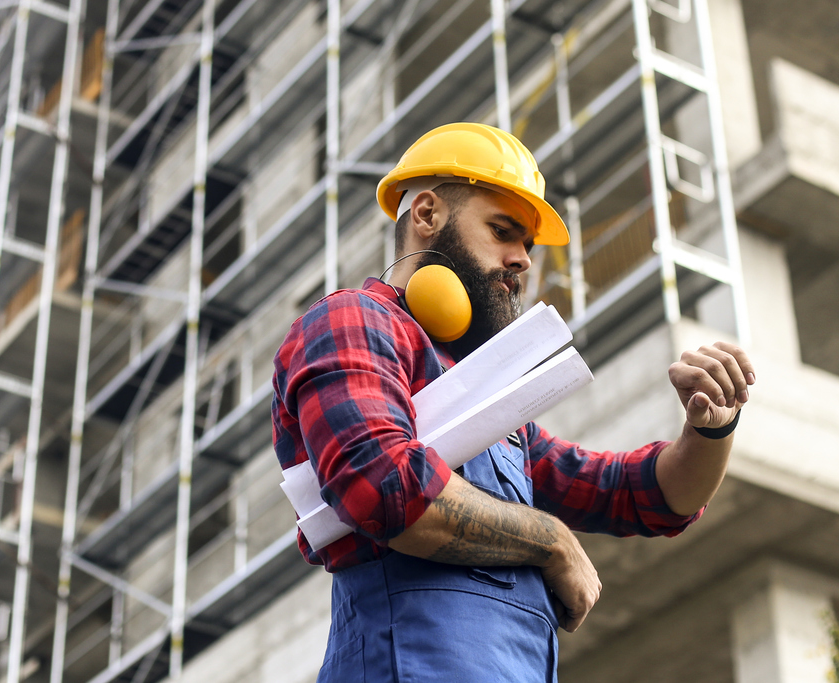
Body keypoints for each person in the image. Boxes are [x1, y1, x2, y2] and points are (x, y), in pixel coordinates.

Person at [271, 122, 755, 682]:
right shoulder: (353, 320)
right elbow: (383, 487)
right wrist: (551, 541)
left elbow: (642, 496)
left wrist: (710, 430)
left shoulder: (480, 396)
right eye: (503, 231)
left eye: (526, 244)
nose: (523, 259)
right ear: (426, 214)